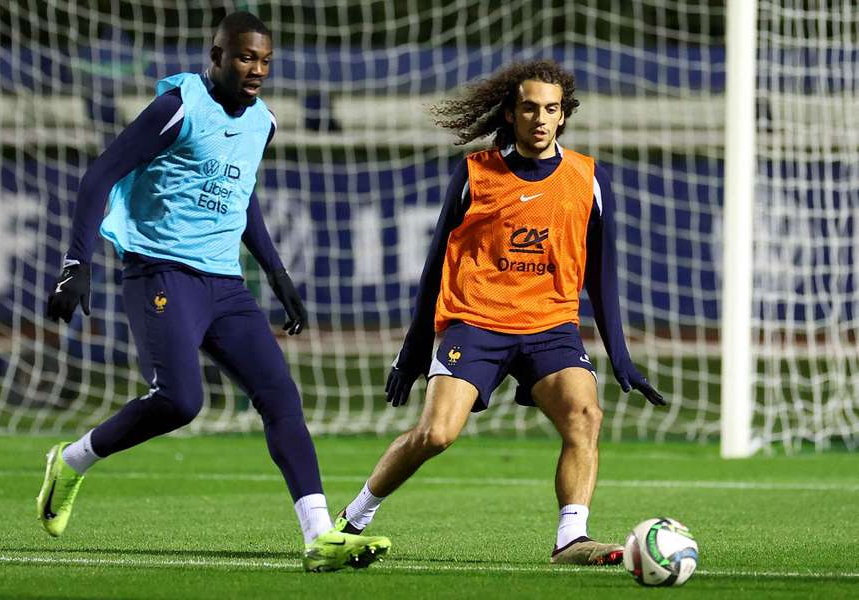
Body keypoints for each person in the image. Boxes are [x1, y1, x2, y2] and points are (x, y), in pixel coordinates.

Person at [37, 11, 389, 572]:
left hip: (224, 283)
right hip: (161, 272)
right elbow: (99, 174)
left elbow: (241, 195)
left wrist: (277, 275)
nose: (257, 69)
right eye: (246, 57)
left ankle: (319, 537)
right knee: (181, 401)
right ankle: (72, 461)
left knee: (280, 396)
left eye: (266, 60)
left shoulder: (264, 122)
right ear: (218, 56)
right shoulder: (178, 107)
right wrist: (76, 263)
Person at [333, 59, 665, 565]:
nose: (539, 118)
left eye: (550, 109)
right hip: (477, 322)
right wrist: (412, 352)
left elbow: (601, 273)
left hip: (550, 326)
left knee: (585, 415)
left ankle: (570, 538)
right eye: (528, 108)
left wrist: (619, 355)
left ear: (563, 117)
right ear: (509, 113)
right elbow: (434, 268)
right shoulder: (476, 174)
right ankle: (354, 518)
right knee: (437, 434)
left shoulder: (587, 179)